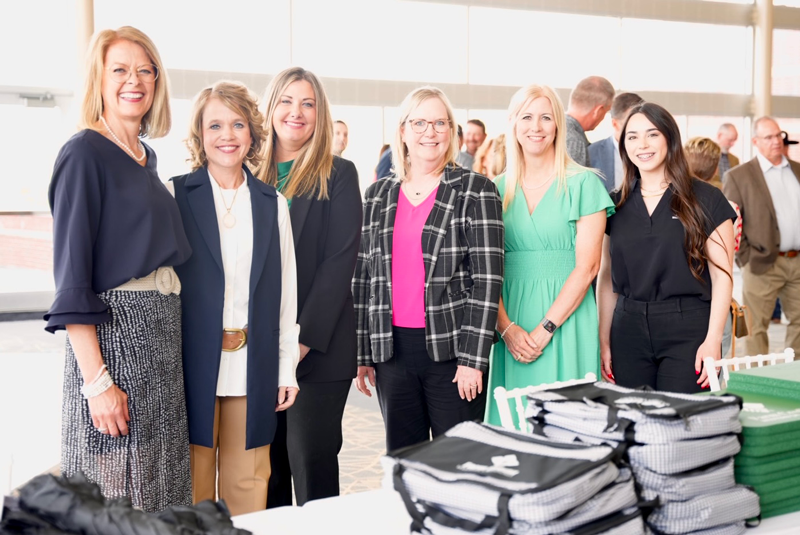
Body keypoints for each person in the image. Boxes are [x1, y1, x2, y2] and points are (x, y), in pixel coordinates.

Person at [43, 26, 192, 512]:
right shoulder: (84, 152)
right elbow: (73, 280)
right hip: (116, 341)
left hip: (161, 342)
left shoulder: (147, 158)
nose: (135, 80)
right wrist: (98, 383)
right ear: (99, 79)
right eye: (121, 70)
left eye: (145, 70)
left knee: (159, 489)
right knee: (116, 493)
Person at [170, 81, 300, 516]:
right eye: (215, 125)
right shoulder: (175, 196)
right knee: (192, 482)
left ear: (252, 134)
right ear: (200, 135)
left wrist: (286, 368)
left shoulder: (272, 204)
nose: (227, 135)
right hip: (191, 366)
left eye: (237, 124)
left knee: (249, 481)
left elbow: (286, 293)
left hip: (253, 364)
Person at [353, 86, 504, 452]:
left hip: (452, 352)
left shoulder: (475, 190)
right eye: (419, 122)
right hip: (392, 352)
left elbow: (488, 279)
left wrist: (472, 360)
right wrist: (363, 354)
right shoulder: (378, 195)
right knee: (406, 459)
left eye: (440, 122)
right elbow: (365, 278)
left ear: (452, 132)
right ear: (403, 131)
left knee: (460, 459)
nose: (429, 132)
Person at [257, 67, 362, 506]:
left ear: (320, 114)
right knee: (267, 470)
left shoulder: (338, 173)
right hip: (257, 348)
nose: (295, 112)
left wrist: (297, 345)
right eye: (286, 101)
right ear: (270, 108)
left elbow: (339, 265)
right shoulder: (246, 173)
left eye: (308, 103)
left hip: (316, 351)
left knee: (310, 463)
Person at [484, 84, 614, 427]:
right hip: (511, 321)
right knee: (514, 428)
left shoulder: (584, 184)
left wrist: (545, 329)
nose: (536, 127)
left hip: (566, 320)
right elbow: (485, 270)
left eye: (545, 117)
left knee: (567, 426)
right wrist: (507, 329)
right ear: (513, 124)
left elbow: (588, 268)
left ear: (558, 124)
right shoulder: (495, 189)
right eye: (526, 117)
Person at [599, 103, 736, 393]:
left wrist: (713, 339)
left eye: (652, 134)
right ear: (624, 145)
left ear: (670, 139)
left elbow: (722, 275)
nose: (642, 145)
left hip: (688, 328)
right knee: (633, 423)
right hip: (628, 328)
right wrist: (604, 340)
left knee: (680, 424)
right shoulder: (614, 203)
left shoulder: (705, 199)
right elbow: (606, 276)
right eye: (632, 137)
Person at [723, 117, 800, 357]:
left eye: (778, 135)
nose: (776, 141)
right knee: (757, 329)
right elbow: (730, 221)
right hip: (761, 263)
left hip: (797, 262)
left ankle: (793, 379)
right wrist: (745, 256)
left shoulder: (797, 169)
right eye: (768, 137)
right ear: (756, 141)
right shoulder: (739, 176)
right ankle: (761, 382)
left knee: (799, 325)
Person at [588, 92, 643, 192]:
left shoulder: (649, 151)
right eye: (631, 124)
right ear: (615, 124)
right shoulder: (591, 153)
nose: (638, 129)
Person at [565, 76, 615, 167]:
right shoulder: (575, 141)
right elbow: (575, 181)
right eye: (606, 111)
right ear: (598, 111)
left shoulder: (555, 127)